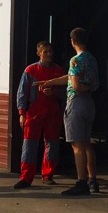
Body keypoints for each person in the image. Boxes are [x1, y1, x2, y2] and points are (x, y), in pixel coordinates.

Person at [37, 27, 99, 197]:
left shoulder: (75, 60)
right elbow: (74, 79)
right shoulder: (91, 59)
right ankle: (92, 180)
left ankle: (81, 182)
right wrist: (51, 82)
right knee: (87, 143)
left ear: (72, 41)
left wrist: (80, 88)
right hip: (89, 103)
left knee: (77, 145)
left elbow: (75, 85)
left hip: (76, 103)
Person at [13, 41, 65, 189]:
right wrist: (22, 113)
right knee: (29, 145)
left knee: (52, 144)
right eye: (45, 52)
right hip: (34, 111)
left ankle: (48, 175)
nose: (49, 54)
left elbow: (66, 91)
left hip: (52, 112)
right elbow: (22, 93)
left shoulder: (58, 70)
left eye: (50, 51)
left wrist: (54, 92)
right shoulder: (30, 70)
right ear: (38, 53)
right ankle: (26, 177)